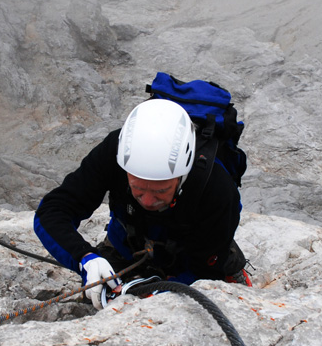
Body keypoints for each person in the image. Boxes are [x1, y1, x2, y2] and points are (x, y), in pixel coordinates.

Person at [33, 98, 251, 309]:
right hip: (128, 245)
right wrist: (85, 258)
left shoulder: (217, 187)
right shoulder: (113, 153)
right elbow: (52, 211)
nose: (147, 201)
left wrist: (159, 292)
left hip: (192, 256)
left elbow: (204, 272)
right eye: (137, 188)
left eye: (161, 190)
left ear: (182, 176)